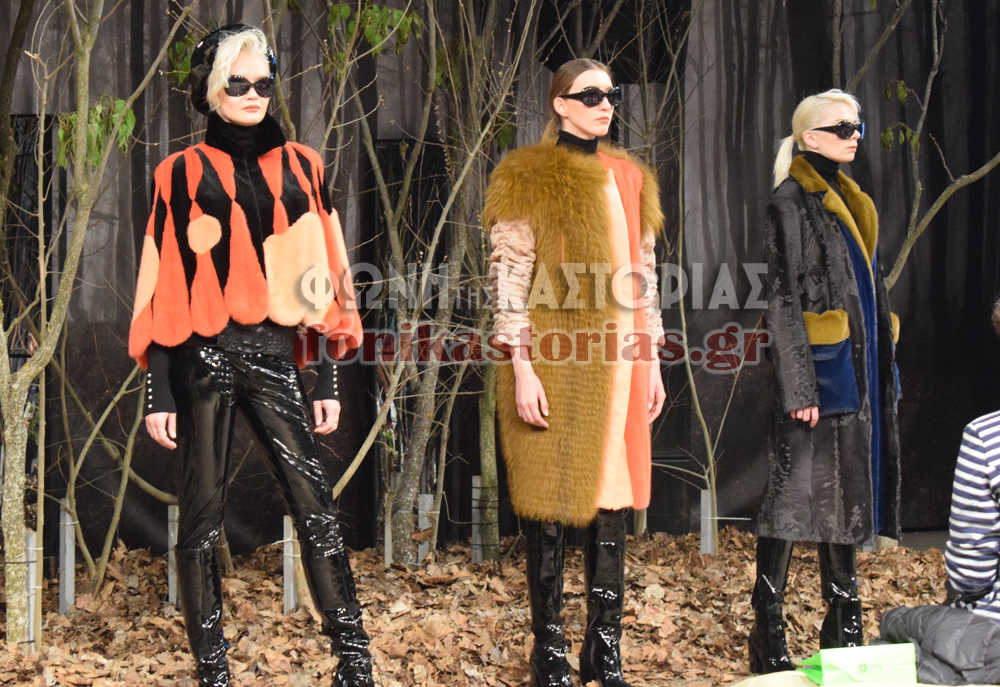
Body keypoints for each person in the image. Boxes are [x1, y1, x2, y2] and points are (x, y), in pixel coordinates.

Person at [127, 24, 371, 687]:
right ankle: (212, 670)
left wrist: (325, 377)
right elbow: (162, 281)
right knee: (201, 518)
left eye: (264, 81)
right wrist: (158, 389)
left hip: (272, 354)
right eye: (238, 83)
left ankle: (355, 662)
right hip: (200, 356)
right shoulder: (178, 174)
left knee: (316, 506)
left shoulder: (304, 166)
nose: (253, 93)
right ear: (211, 90)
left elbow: (321, 275)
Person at [483, 58, 666, 687]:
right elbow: (509, 277)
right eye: (590, 95)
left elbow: (643, 278)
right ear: (560, 104)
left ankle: (603, 650)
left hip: (619, 364)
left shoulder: (630, 176)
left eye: (610, 94)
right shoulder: (527, 173)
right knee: (550, 503)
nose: (604, 103)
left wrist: (652, 361)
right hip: (554, 361)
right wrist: (522, 366)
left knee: (612, 498)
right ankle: (550, 653)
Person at [751, 88, 902, 673]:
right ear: (809, 137)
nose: (854, 134)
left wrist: (884, 352)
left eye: (857, 126)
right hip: (819, 375)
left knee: (841, 497)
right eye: (841, 128)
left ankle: (843, 625)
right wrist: (800, 386)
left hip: (854, 370)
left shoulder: (849, 198)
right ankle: (768, 627)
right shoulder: (790, 201)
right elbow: (782, 299)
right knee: (791, 502)